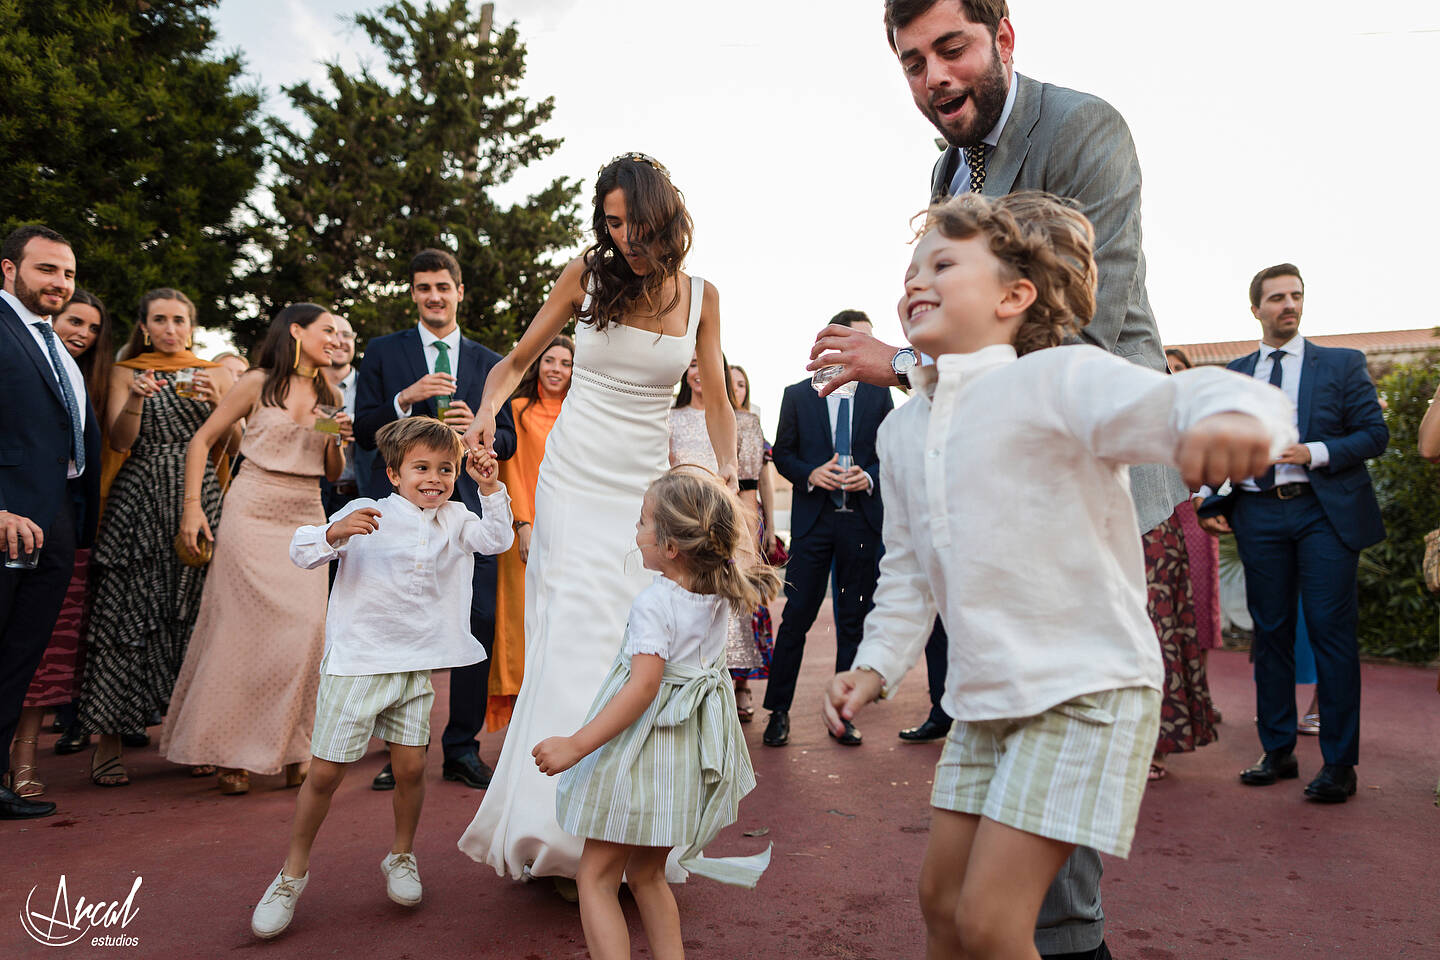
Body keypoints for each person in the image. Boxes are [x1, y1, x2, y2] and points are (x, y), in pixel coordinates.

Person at [808, 5, 1189, 954]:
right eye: (912, 63)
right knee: (974, 854)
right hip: (981, 468)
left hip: (1078, 454)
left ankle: (1060, 937)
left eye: (952, 49)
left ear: (1003, 37)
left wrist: (903, 363)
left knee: (1041, 858)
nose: (933, 77)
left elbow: (1078, 329)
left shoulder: (1083, 128)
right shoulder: (951, 168)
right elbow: (907, 567)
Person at [825, 191, 1295, 960]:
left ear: (1014, 296)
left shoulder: (1058, 380)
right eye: (911, 270)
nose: (916, 281)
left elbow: (1187, 395)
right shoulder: (903, 429)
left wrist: (1239, 420)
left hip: (1085, 688)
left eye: (943, 264)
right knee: (941, 905)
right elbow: (906, 572)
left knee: (992, 922)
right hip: (984, 701)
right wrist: (873, 666)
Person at [458, 152, 736, 893]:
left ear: (665, 219)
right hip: (574, 482)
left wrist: (726, 477)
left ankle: (629, 824)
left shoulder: (703, 297)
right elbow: (514, 362)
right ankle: (554, 834)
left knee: (634, 642)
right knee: (572, 636)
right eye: (612, 224)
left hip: (642, 493)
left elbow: (714, 399)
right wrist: (485, 411)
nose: (624, 239)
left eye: (636, 224)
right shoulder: (585, 276)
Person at [250, 417, 512, 939]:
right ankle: (291, 874)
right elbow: (302, 551)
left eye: (445, 469)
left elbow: (497, 540)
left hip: (413, 667)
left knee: (411, 769)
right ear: (394, 474)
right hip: (358, 663)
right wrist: (333, 532)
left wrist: (491, 489)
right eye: (421, 468)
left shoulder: (457, 517)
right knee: (325, 775)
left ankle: (401, 855)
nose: (434, 478)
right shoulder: (366, 512)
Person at [534, 469, 779, 959]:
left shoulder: (656, 602)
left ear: (670, 547)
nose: (636, 529)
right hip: (681, 756)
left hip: (639, 755)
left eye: (643, 521)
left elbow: (644, 688)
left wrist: (575, 746)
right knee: (648, 874)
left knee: (595, 877)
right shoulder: (717, 592)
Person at [1196, 263, 1388, 803]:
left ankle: (1339, 765)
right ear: (1255, 308)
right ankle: (1277, 750)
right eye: (1277, 297)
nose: (1289, 305)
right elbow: (1221, 443)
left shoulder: (1341, 364)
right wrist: (1211, 496)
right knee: (1271, 634)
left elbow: (1374, 434)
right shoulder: (1236, 373)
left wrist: (1314, 452)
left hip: (1322, 513)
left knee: (1331, 632)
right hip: (1257, 515)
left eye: (1296, 296)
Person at [161, 304, 350, 795]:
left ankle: (295, 749)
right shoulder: (257, 383)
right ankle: (231, 754)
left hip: (305, 513)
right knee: (241, 633)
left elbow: (332, 471)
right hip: (251, 509)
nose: (336, 339)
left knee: (307, 633)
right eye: (327, 330)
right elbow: (202, 441)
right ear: (296, 331)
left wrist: (336, 440)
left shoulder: (330, 395)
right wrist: (192, 509)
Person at [353, 249, 515, 791]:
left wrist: (481, 430)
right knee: (401, 626)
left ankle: (462, 748)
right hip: (399, 517)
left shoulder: (489, 362)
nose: (434, 296)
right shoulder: (384, 351)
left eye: (443, 286)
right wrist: (404, 400)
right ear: (414, 294)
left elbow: (509, 439)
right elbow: (363, 430)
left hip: (466, 515)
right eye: (424, 287)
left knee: (477, 624)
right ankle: (403, 748)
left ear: (459, 291)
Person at [77, 287, 236, 786]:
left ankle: (195, 737)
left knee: (197, 615)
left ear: (192, 326)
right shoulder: (126, 371)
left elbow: (234, 446)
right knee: (125, 611)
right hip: (140, 494)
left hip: (202, 498)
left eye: (179, 320)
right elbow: (119, 441)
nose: (171, 329)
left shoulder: (215, 373)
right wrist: (136, 401)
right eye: (160, 320)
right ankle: (109, 743)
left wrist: (219, 403)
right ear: (144, 327)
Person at [0, 225, 101, 820]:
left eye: (67, 273)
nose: (59, 282)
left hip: (57, 515)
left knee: (20, 654)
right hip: (8, 515)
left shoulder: (52, 343)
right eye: (46, 269)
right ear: (8, 269)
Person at [764, 310, 893, 748]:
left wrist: (869, 475)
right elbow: (783, 454)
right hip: (813, 524)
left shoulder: (879, 396)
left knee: (853, 621)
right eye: (861, 338)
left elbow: (888, 454)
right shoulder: (797, 395)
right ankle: (778, 712)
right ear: (836, 343)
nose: (872, 346)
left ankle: (844, 715)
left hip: (861, 523)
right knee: (796, 619)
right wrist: (810, 474)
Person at [9, 291, 114, 797]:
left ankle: (21, 763)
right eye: (76, 321)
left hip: (69, 523)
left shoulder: (86, 376)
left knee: (43, 648)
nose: (83, 334)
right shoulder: (16, 351)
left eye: (93, 328)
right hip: (15, 513)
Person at [668, 353, 773, 721]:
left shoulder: (743, 422)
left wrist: (749, 543)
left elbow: (749, 487)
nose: (699, 371)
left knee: (729, 611)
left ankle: (734, 688)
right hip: (680, 523)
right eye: (692, 364)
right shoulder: (669, 418)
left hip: (726, 524)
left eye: (706, 363)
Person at [487, 334, 573, 732]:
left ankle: (559, 715)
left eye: (566, 363)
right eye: (550, 360)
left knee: (565, 618)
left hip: (571, 529)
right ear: (537, 365)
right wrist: (522, 524)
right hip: (525, 529)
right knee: (521, 621)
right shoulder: (518, 410)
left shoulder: (580, 413)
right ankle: (521, 721)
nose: (556, 369)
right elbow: (513, 471)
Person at [320, 316, 364, 516]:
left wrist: (358, 424)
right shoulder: (304, 387)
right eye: (332, 333)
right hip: (315, 493)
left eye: (346, 335)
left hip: (363, 494)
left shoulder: (373, 387)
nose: (340, 341)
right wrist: (329, 427)